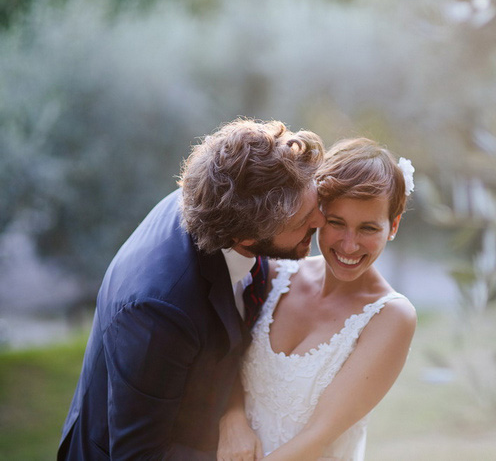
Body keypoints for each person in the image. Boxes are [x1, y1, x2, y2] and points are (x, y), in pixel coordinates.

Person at [57, 118, 326, 460]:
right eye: (303, 222)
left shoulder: (223, 195)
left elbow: (226, 337)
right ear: (245, 238)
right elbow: (139, 454)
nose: (319, 220)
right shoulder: (157, 311)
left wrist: (231, 412)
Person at [218, 138, 418, 460]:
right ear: (318, 215)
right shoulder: (274, 272)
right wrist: (232, 416)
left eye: (368, 228)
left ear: (392, 226)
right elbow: (223, 354)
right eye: (337, 223)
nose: (349, 245)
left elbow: (319, 437)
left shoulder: (391, 317)